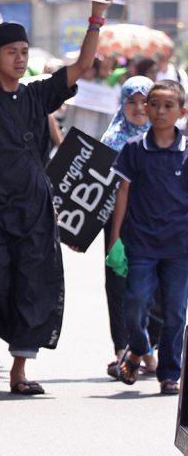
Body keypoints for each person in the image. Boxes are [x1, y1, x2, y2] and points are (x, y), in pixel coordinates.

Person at [0, 0, 111, 395]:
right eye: (11, 53)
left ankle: (19, 370)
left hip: (34, 210)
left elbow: (83, 65)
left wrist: (95, 15)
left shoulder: (38, 95)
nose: (20, 59)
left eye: (24, 51)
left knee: (32, 287)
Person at [111, 80, 188, 395]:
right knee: (134, 303)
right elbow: (123, 193)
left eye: (169, 106)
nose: (160, 111)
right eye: (154, 104)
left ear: (181, 111)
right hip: (141, 242)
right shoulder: (133, 150)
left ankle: (169, 374)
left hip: (180, 247)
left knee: (174, 312)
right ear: (146, 108)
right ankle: (139, 346)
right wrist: (115, 237)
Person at [100, 76, 162, 379]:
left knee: (157, 289)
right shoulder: (111, 140)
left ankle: (147, 348)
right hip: (119, 224)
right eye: (131, 101)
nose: (138, 108)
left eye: (144, 101)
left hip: (157, 224)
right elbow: (92, 193)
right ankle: (123, 349)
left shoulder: (165, 139)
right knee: (119, 286)